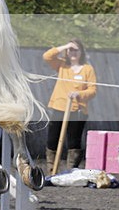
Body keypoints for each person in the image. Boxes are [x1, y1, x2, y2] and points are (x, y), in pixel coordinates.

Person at [42, 39, 97, 174]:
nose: (73, 52)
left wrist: (79, 94)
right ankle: (51, 170)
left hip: (77, 109)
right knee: (52, 138)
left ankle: (71, 170)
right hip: (59, 106)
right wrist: (65, 46)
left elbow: (92, 90)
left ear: (81, 52)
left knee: (74, 141)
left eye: (76, 49)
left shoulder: (87, 69)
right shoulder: (62, 66)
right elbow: (47, 56)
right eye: (70, 50)